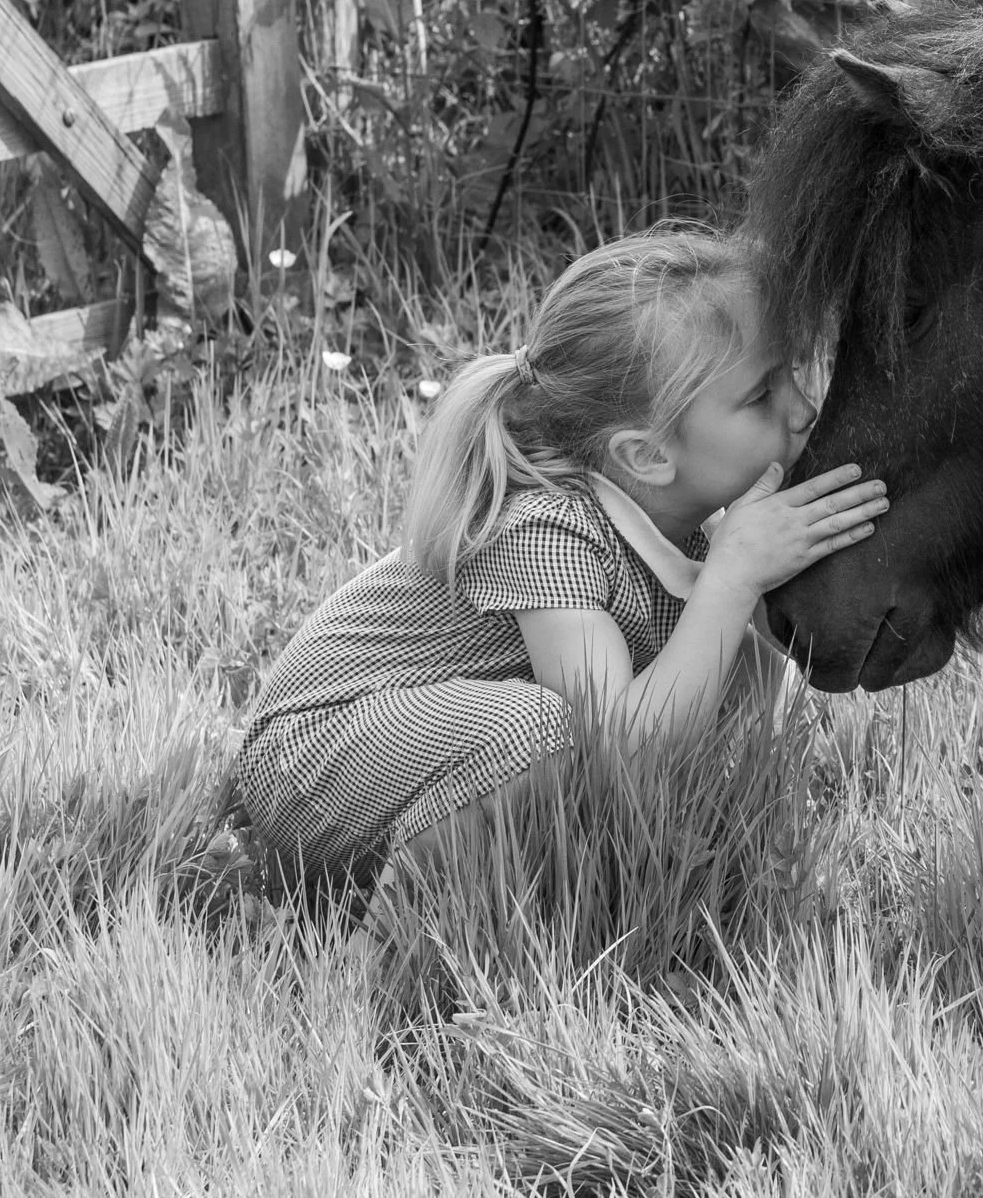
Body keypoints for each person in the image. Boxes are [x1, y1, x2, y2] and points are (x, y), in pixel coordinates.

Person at [232, 227, 889, 905]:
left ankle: (694, 892)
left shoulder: (690, 524)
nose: (804, 409)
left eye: (796, 368)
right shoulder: (550, 529)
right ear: (647, 456)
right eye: (761, 396)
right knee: (541, 729)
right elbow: (619, 750)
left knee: (728, 659)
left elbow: (746, 695)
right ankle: (402, 939)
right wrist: (731, 582)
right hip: (310, 761)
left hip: (413, 764)